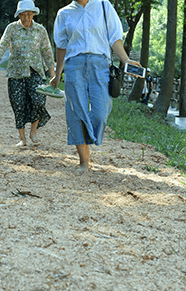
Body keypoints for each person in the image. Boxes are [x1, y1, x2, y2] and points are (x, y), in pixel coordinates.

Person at [51, 0, 140, 172]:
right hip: (74, 66)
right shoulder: (64, 13)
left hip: (100, 65)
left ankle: (87, 138)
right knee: (76, 113)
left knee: (100, 113)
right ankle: (84, 162)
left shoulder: (104, 6)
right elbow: (61, 47)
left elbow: (115, 38)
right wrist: (57, 73)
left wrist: (126, 60)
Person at [0, 0, 55, 147]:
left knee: (38, 101)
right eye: (23, 14)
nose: (26, 17)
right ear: (18, 15)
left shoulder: (40, 30)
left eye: (29, 14)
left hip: (36, 72)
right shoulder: (12, 28)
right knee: (18, 104)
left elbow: (47, 53)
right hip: (16, 72)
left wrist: (53, 75)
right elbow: (2, 46)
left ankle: (33, 132)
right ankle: (22, 138)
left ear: (33, 14)